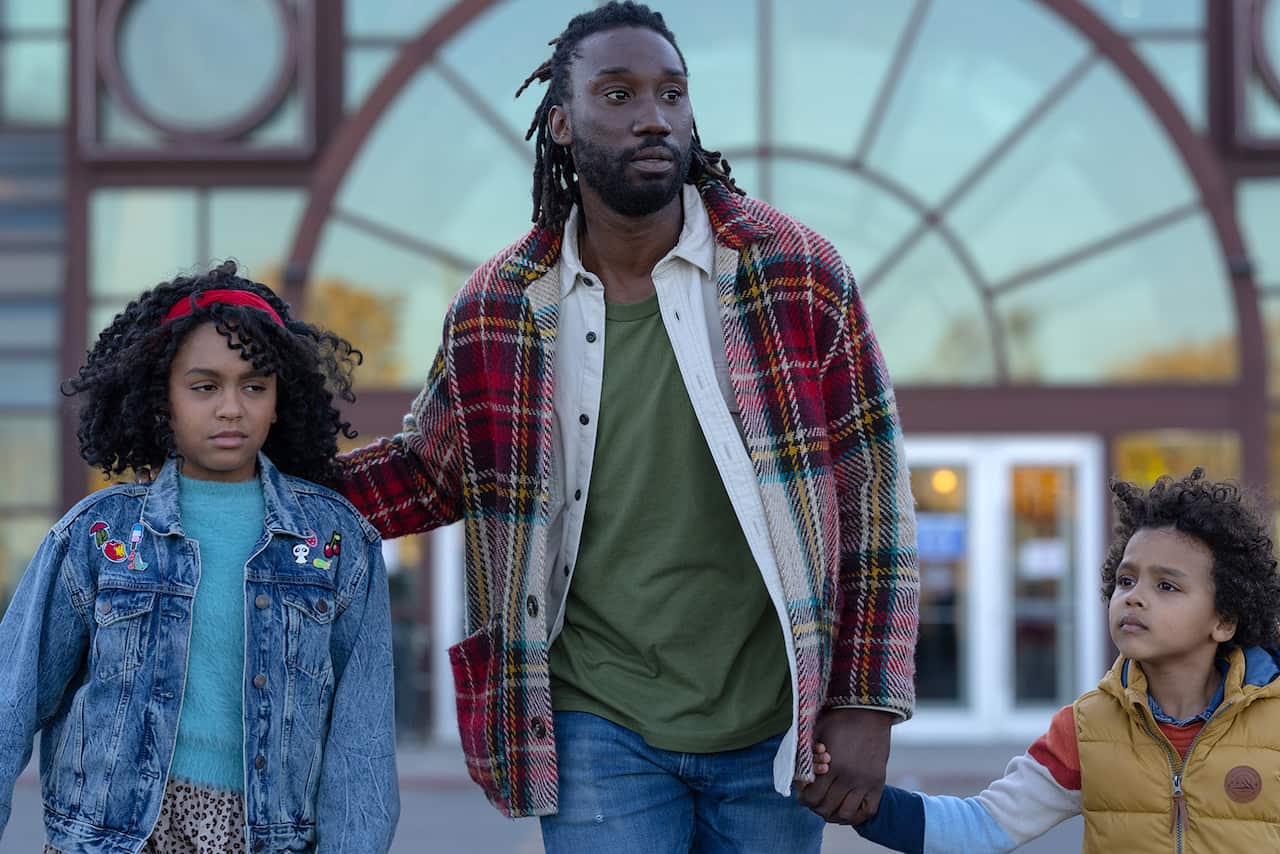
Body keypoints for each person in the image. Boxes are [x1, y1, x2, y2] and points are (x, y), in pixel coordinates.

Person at [337, 2, 919, 850]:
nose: (653, 115)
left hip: (772, 723)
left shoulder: (793, 273)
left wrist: (866, 699)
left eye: (671, 93)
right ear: (562, 123)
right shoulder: (501, 306)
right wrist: (258, 474)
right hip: (592, 715)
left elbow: (873, 491)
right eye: (618, 94)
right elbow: (428, 475)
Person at [0, 261, 398, 853]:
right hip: (116, 838)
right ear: (161, 397)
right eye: (205, 386)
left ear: (280, 401)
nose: (231, 408)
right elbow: (11, 701)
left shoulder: (336, 543)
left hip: (268, 838)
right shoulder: (98, 536)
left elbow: (360, 746)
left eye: (254, 386)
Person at [822, 468, 1280, 853]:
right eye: (1126, 580)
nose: (1134, 598)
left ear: (1224, 620)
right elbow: (983, 826)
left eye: (1166, 586)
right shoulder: (1085, 728)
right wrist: (868, 804)